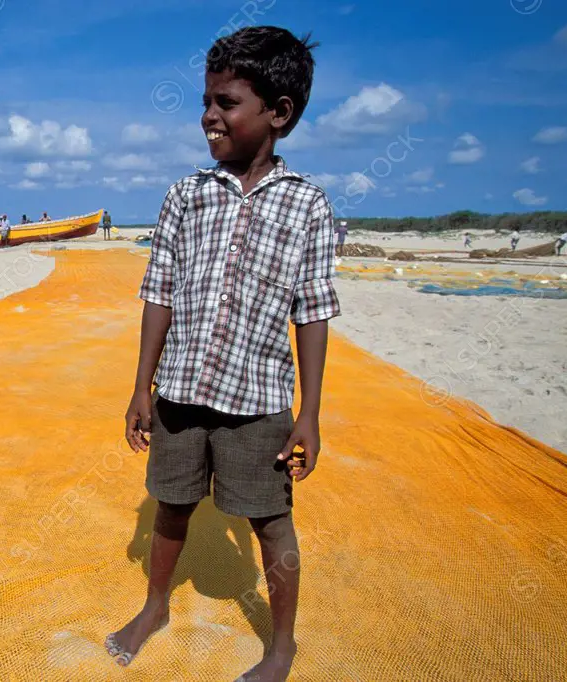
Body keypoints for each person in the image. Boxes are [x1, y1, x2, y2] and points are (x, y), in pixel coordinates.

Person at [106, 27, 338, 682]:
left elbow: (313, 312)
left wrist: (309, 415)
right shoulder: (186, 195)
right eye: (206, 99)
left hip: (259, 404)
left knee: (271, 521)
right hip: (178, 395)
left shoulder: (307, 206)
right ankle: (155, 607)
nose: (209, 114)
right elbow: (160, 294)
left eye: (227, 101)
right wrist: (140, 388)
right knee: (169, 503)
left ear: (279, 112)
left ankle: (282, 645)